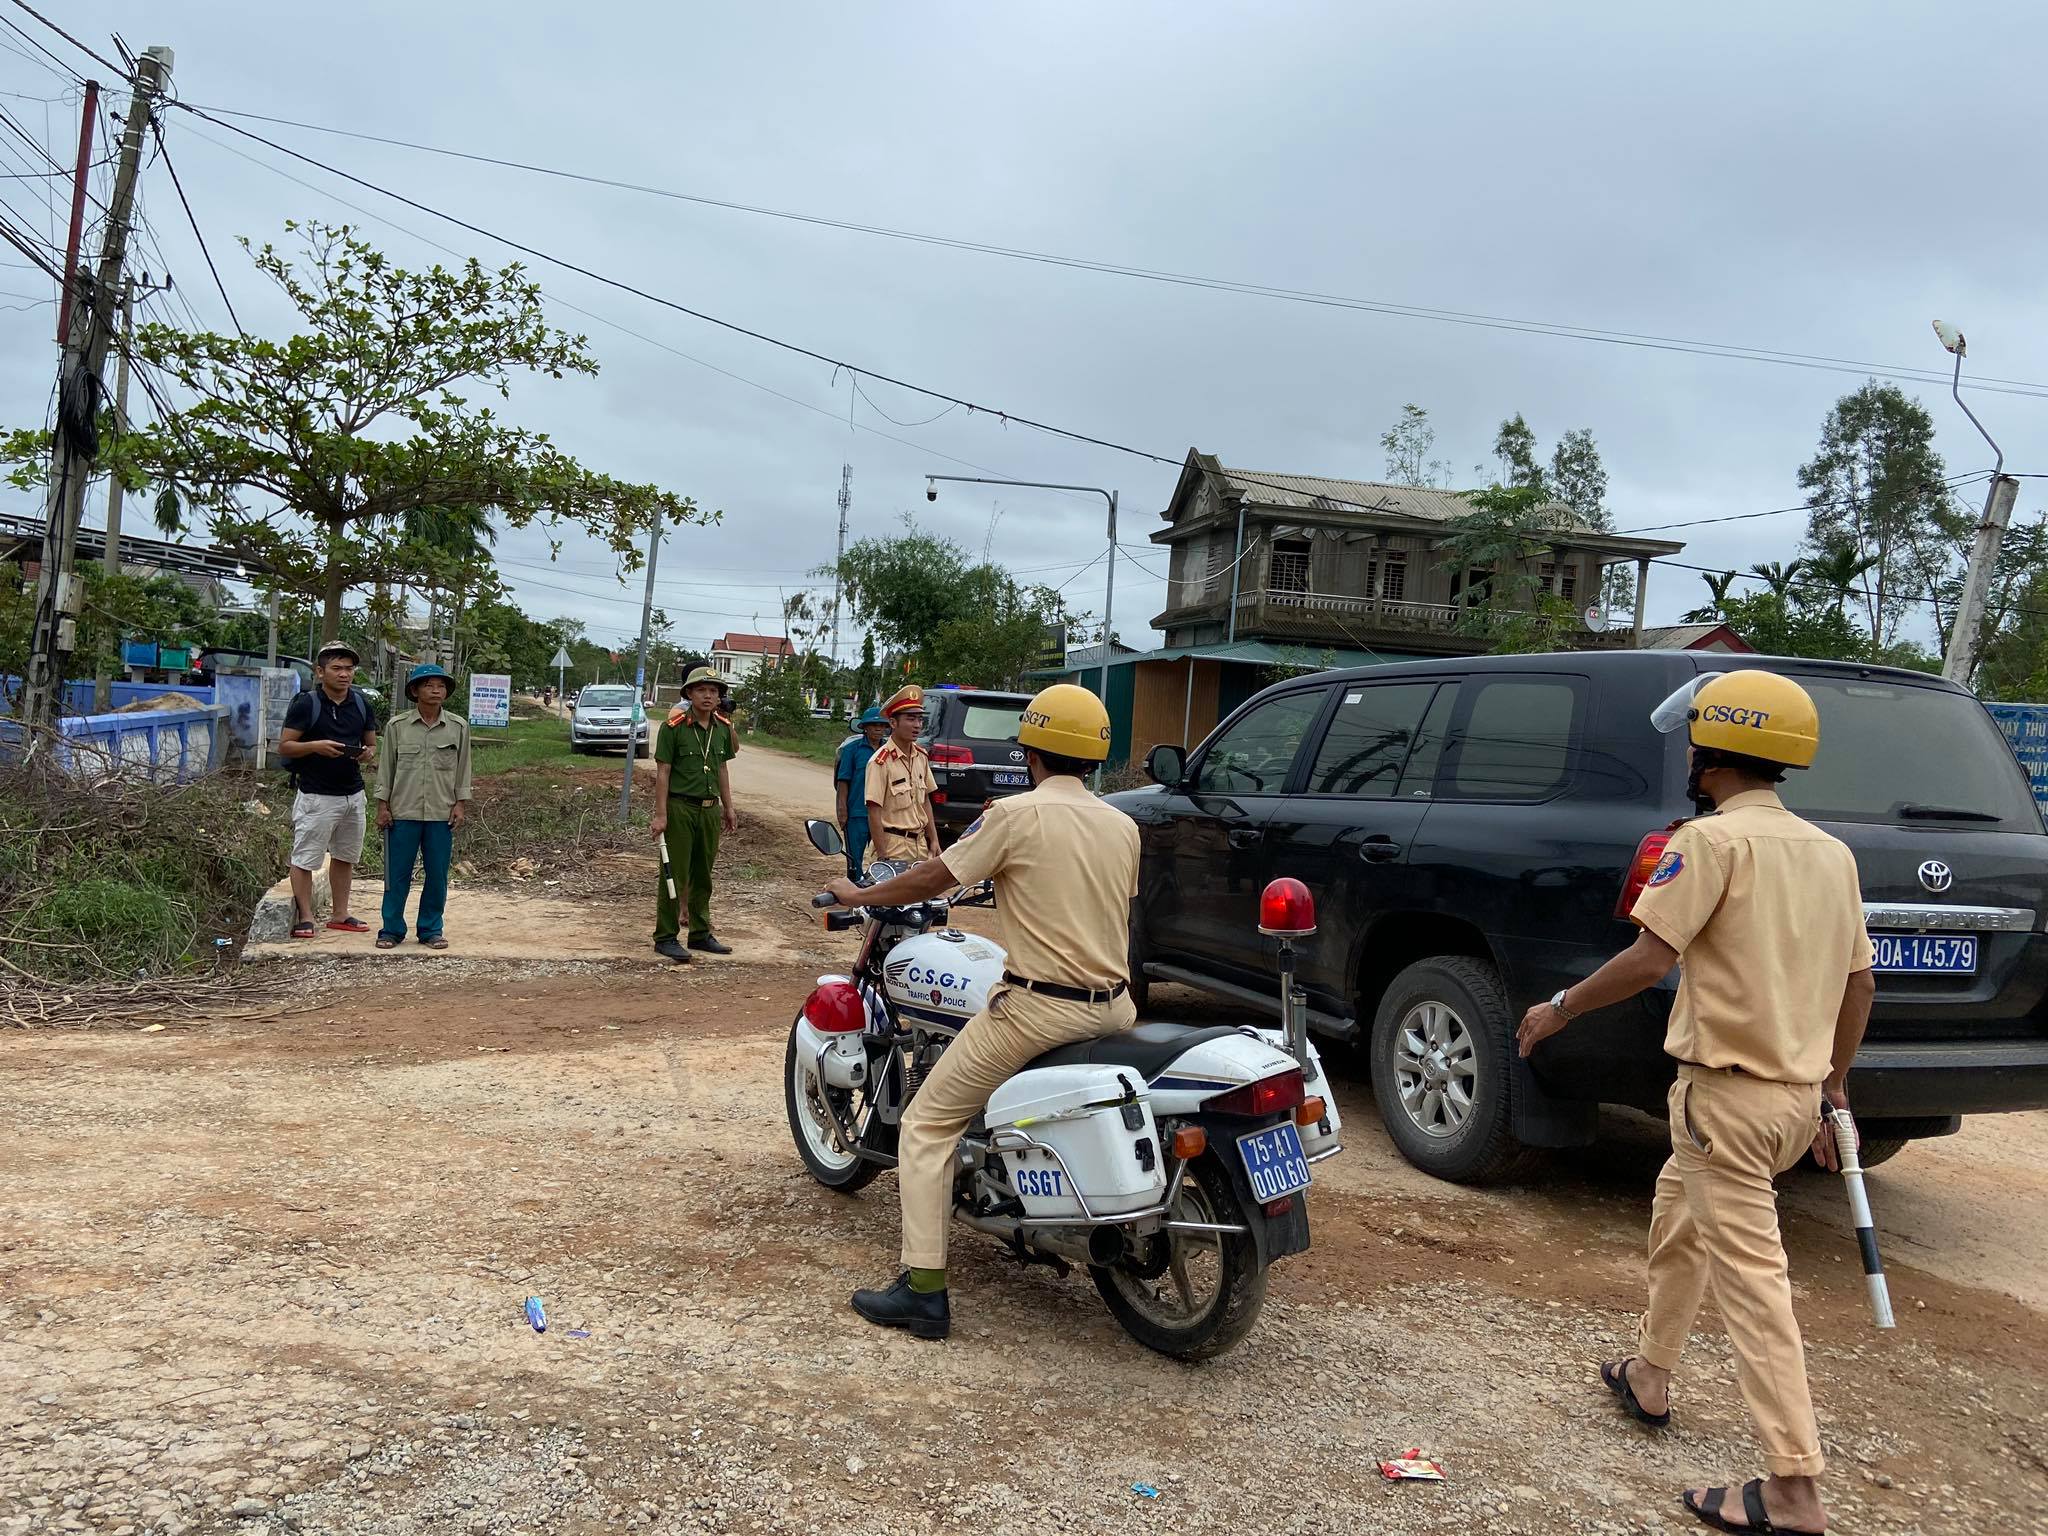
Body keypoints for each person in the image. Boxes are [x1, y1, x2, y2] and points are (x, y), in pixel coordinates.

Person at [1514, 669, 1874, 1536]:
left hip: (1725, 1100)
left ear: (1710, 752)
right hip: (1788, 1102)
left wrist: (1556, 1010)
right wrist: (1833, 1089)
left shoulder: (1709, 844)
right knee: (1678, 1219)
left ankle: (1792, 1488)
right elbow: (1860, 983)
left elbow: (1648, 958)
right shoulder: (1832, 853)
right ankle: (1651, 1373)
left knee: (1754, 1283)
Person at [825, 683, 1138, 1340]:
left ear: (1031, 752)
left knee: (926, 1126)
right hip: (1114, 1009)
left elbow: (937, 878)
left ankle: (924, 1291)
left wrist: (861, 889)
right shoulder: (1123, 826)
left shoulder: (1015, 817)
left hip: (1038, 1011)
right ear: (1094, 759)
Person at [278, 641, 378, 940]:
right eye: (336, 668)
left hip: (352, 793)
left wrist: (366, 753)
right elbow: (285, 746)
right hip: (316, 794)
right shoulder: (306, 703)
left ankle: (340, 914)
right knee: (306, 858)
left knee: (345, 856)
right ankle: (306, 918)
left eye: (349, 669)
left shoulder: (361, 703)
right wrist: (316, 746)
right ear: (320, 672)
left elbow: (372, 743)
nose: (344, 674)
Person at [374, 663, 473, 951]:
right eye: (428, 685)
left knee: (437, 874)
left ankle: (431, 929)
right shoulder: (397, 727)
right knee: (397, 875)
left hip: (441, 814)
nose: (435, 690)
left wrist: (460, 803)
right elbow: (386, 770)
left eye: (440, 686)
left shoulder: (458, 727)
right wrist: (382, 806)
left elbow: (463, 768)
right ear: (415, 691)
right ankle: (391, 929)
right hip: (402, 812)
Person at [651, 665, 739, 962]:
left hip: (709, 810)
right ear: (689, 694)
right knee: (674, 872)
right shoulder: (673, 728)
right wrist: (660, 814)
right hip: (680, 808)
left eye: (713, 691)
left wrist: (729, 807)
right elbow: (663, 772)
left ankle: (700, 933)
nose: (708, 695)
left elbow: (723, 769)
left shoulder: (723, 728)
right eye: (701, 690)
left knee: (704, 874)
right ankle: (665, 936)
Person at [863, 685, 940, 864]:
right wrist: (882, 856)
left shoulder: (921, 756)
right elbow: (874, 811)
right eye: (910, 719)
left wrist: (933, 839)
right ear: (893, 723)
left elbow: (925, 801)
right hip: (893, 846)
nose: (917, 725)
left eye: (920, 719)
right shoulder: (880, 762)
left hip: (919, 845)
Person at [834, 706, 889, 881]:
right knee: (854, 859)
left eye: (882, 725)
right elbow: (843, 781)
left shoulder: (889, 751)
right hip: (857, 813)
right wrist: (842, 810)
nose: (878, 729)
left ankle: (879, 889)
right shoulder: (852, 750)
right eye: (874, 725)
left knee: (885, 856)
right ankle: (855, 888)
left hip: (883, 815)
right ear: (865, 727)